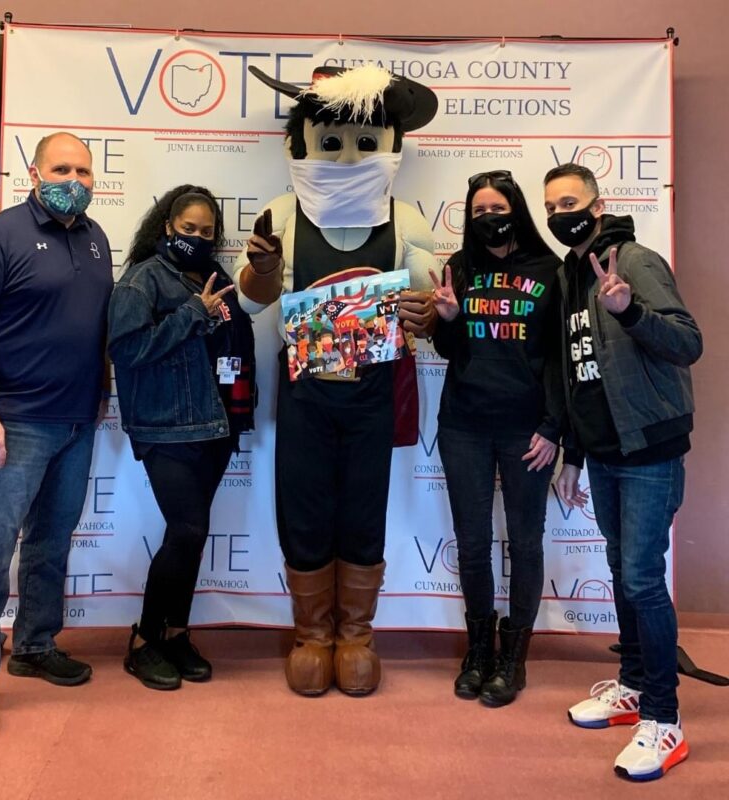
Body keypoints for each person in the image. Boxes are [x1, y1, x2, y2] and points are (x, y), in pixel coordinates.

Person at [234, 63, 439, 696]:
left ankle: (356, 634)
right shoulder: (282, 213)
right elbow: (248, 304)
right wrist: (264, 271)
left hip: (374, 396)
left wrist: (427, 309)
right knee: (304, 508)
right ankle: (311, 634)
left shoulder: (404, 218)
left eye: (364, 142)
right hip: (306, 396)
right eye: (331, 142)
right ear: (301, 143)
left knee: (363, 508)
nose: (348, 157)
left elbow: (428, 294)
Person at [0, 132, 113, 734]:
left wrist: (100, 394)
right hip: (13, 422)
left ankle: (36, 645)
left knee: (51, 543)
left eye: (85, 171)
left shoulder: (96, 240)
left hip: (77, 421)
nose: (76, 179)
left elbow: (92, 327)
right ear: (34, 173)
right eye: (63, 168)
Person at [545, 163, 702, 781]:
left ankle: (664, 721)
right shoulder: (568, 276)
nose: (562, 212)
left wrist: (630, 309)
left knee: (640, 579)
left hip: (650, 451)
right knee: (620, 569)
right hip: (604, 451)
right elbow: (581, 375)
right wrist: (575, 454)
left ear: (598, 203)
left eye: (571, 201)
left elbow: (688, 343)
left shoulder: (633, 260)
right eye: (552, 203)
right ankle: (635, 684)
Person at [108, 185, 255, 691]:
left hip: (215, 424)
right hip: (166, 427)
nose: (196, 237)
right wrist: (194, 313)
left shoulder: (217, 278)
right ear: (167, 226)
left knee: (193, 537)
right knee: (187, 531)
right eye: (187, 229)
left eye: (206, 231)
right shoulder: (141, 281)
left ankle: (176, 633)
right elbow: (128, 351)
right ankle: (145, 639)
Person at [430, 170, 564, 707]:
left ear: (517, 209)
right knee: (472, 543)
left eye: (497, 208)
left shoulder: (550, 271)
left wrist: (553, 428)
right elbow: (447, 350)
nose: (489, 218)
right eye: (478, 211)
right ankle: (479, 650)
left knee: (527, 542)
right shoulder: (460, 269)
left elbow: (559, 357)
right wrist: (448, 320)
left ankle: (514, 657)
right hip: (463, 424)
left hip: (526, 429)